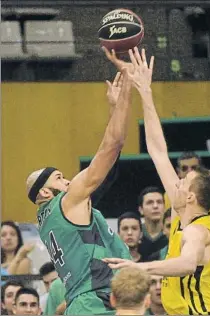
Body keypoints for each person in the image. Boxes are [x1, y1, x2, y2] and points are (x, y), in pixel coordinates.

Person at [103, 47, 210, 315]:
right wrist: (144, 91)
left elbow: (185, 264)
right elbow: (157, 150)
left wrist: (140, 267)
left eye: (184, 181)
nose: (177, 182)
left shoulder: (198, 231)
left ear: (192, 196)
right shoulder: (184, 211)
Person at [25, 51, 134, 315]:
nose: (70, 180)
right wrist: (129, 83)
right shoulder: (68, 201)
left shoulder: (50, 218)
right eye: (60, 178)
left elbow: (110, 161)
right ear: (46, 191)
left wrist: (113, 110)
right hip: (96, 302)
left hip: (88, 302)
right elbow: (112, 146)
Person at [164, 151, 210, 249]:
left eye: (194, 168)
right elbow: (170, 226)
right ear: (178, 172)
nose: (189, 172)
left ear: (201, 171)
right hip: (179, 244)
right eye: (184, 168)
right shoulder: (170, 195)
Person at [137, 186, 168, 259]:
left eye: (159, 202)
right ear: (141, 209)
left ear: (165, 207)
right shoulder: (135, 234)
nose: (155, 206)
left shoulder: (172, 233)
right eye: (150, 202)